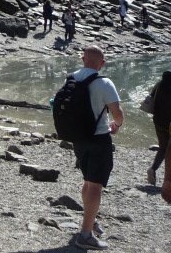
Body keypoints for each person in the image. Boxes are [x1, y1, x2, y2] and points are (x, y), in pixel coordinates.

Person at [68, 45, 124, 250]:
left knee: (88, 180)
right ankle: (85, 234)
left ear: (83, 59)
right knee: (95, 185)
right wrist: (116, 126)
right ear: (102, 63)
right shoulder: (104, 82)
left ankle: (89, 221)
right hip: (99, 138)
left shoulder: (71, 78)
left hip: (78, 138)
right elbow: (117, 114)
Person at [145, 70, 171, 186]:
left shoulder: (159, 84)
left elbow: (150, 97)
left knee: (163, 147)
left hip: (159, 121)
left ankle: (153, 169)